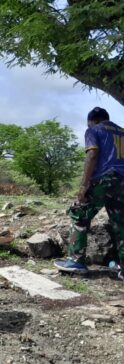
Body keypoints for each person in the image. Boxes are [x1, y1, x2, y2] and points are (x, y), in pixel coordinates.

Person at [54, 107, 123, 280]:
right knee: (121, 224)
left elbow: (92, 155)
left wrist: (84, 186)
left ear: (93, 120)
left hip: (103, 179)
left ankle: (76, 261)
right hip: (122, 182)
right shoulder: (122, 132)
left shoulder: (94, 130)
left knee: (79, 214)